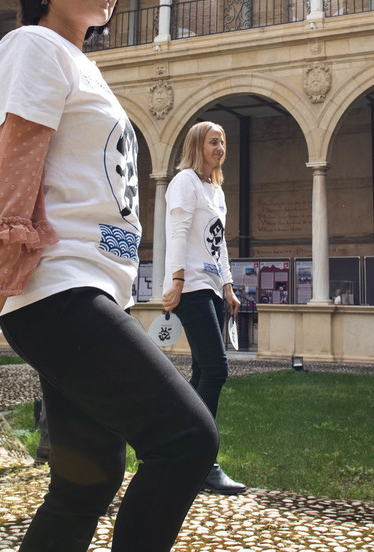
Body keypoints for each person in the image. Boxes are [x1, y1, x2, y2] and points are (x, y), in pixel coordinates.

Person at [0, 0, 218, 552]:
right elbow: (16, 168)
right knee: (187, 441)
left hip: (86, 288)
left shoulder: (77, 63)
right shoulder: (33, 46)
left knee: (86, 483)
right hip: (58, 288)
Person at [162, 121, 246, 495]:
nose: (220, 148)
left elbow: (220, 244)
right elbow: (178, 233)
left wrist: (228, 286)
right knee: (216, 369)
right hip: (191, 286)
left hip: (210, 288)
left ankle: (181, 451)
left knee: (203, 370)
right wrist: (176, 280)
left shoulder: (216, 189)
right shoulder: (185, 182)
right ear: (197, 145)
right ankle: (203, 460)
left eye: (223, 142)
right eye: (213, 142)